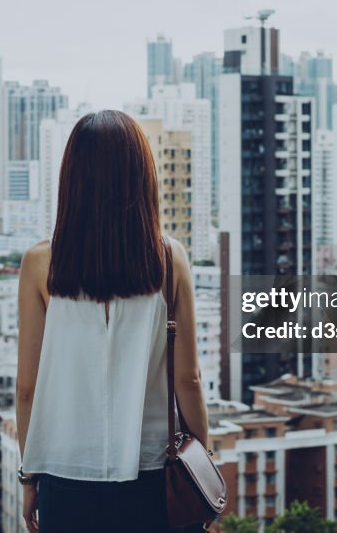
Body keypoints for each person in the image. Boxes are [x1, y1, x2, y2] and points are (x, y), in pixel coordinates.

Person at [16, 110, 210, 533]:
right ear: (141, 176)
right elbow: (189, 380)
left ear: (72, 177)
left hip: (66, 477)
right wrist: (203, 465)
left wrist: (29, 476)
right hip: (155, 474)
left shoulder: (39, 264)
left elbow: (27, 388)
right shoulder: (169, 258)